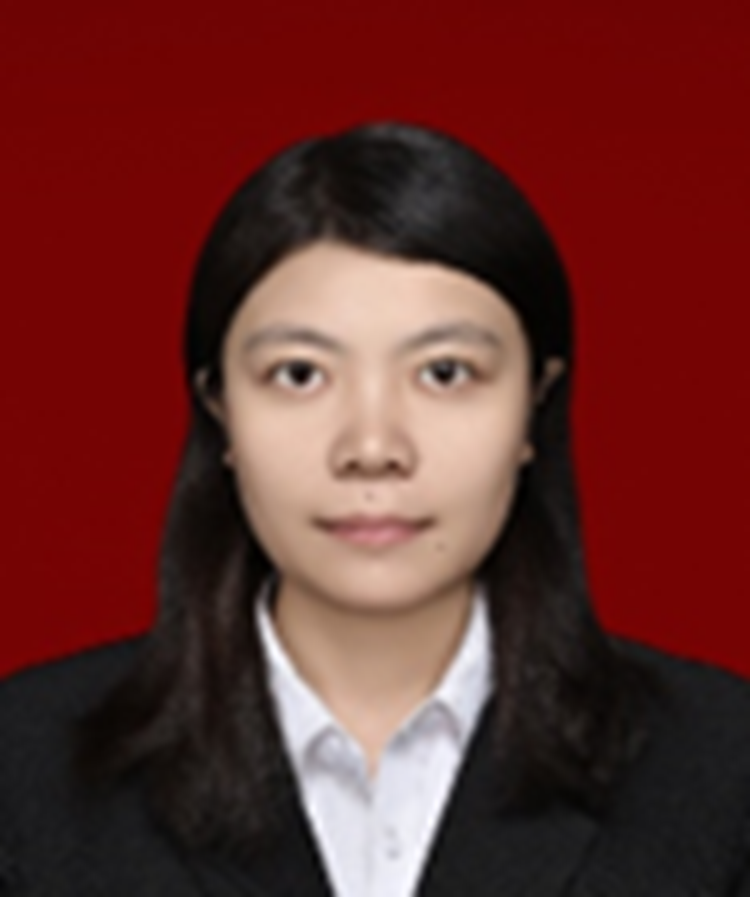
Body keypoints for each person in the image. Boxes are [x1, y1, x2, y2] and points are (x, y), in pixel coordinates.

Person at [1, 121, 749, 897]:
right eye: (299, 374)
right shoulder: (23, 772)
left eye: (445, 372)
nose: (371, 446)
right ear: (221, 410)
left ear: (534, 404)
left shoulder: (724, 769)